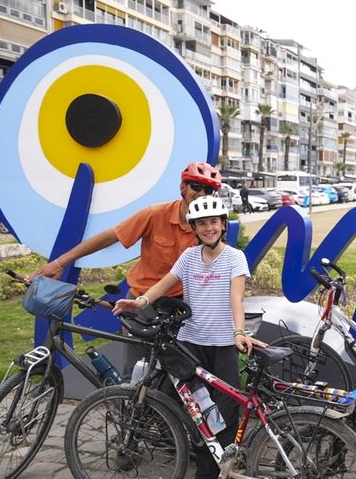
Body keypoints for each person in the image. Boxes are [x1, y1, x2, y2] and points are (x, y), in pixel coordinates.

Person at [113, 195, 265, 479]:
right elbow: (164, 284)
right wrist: (140, 302)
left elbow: (237, 297)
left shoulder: (234, 257)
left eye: (214, 222)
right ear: (194, 229)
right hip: (191, 345)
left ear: (223, 225)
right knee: (197, 411)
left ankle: (225, 465)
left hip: (222, 346)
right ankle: (205, 469)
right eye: (202, 224)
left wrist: (239, 331)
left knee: (227, 411)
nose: (209, 228)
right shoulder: (189, 257)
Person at [30, 161, 223, 377]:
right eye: (196, 186)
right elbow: (109, 237)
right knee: (136, 370)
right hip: (140, 302)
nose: (201, 193)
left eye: (209, 189)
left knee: (179, 370)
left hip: (180, 305)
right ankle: (129, 409)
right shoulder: (154, 214)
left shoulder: (209, 229)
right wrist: (59, 263)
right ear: (183, 188)